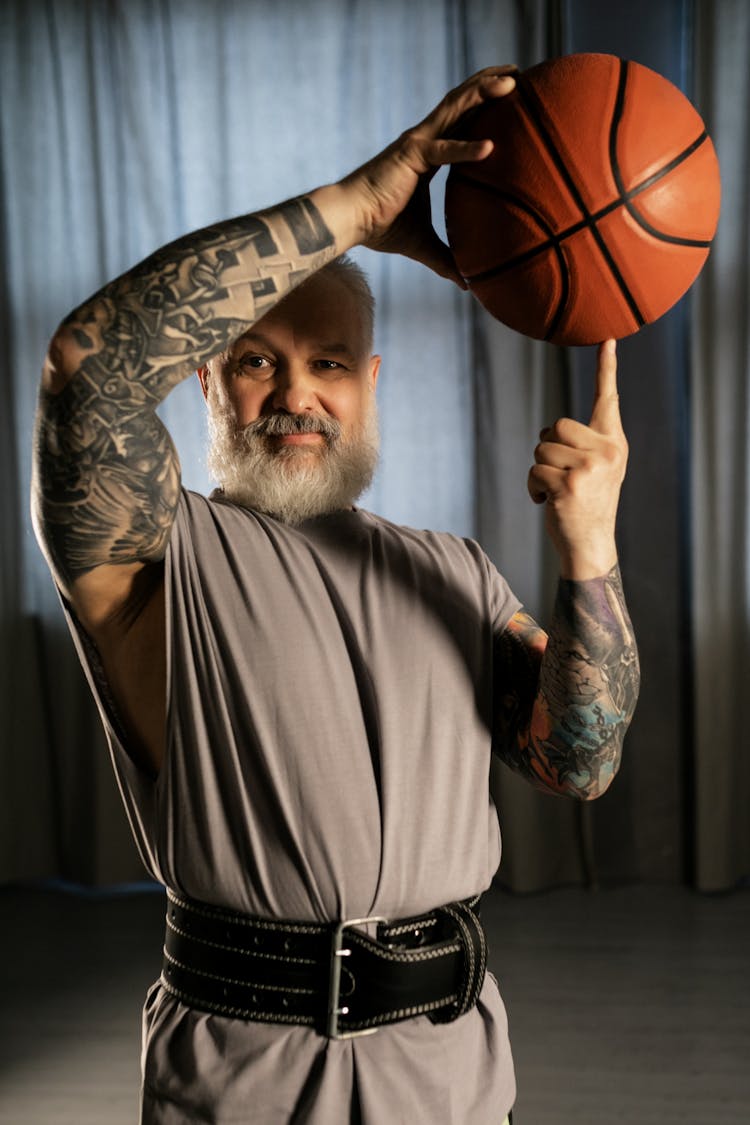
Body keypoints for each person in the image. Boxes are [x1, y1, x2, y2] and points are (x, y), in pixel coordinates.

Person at [32, 67, 639, 1125]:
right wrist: (355, 210)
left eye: (330, 362)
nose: (298, 393)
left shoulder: (455, 569)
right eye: (257, 362)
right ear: (208, 382)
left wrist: (591, 550)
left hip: (452, 1075)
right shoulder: (156, 559)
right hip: (243, 1077)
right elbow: (93, 366)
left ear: (372, 382)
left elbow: (581, 759)